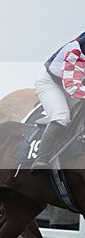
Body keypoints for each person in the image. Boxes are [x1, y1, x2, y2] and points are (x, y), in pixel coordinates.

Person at [31, 31, 85, 172]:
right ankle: (42, 157)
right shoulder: (77, 50)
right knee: (62, 117)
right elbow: (73, 86)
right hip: (51, 83)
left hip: (73, 81)